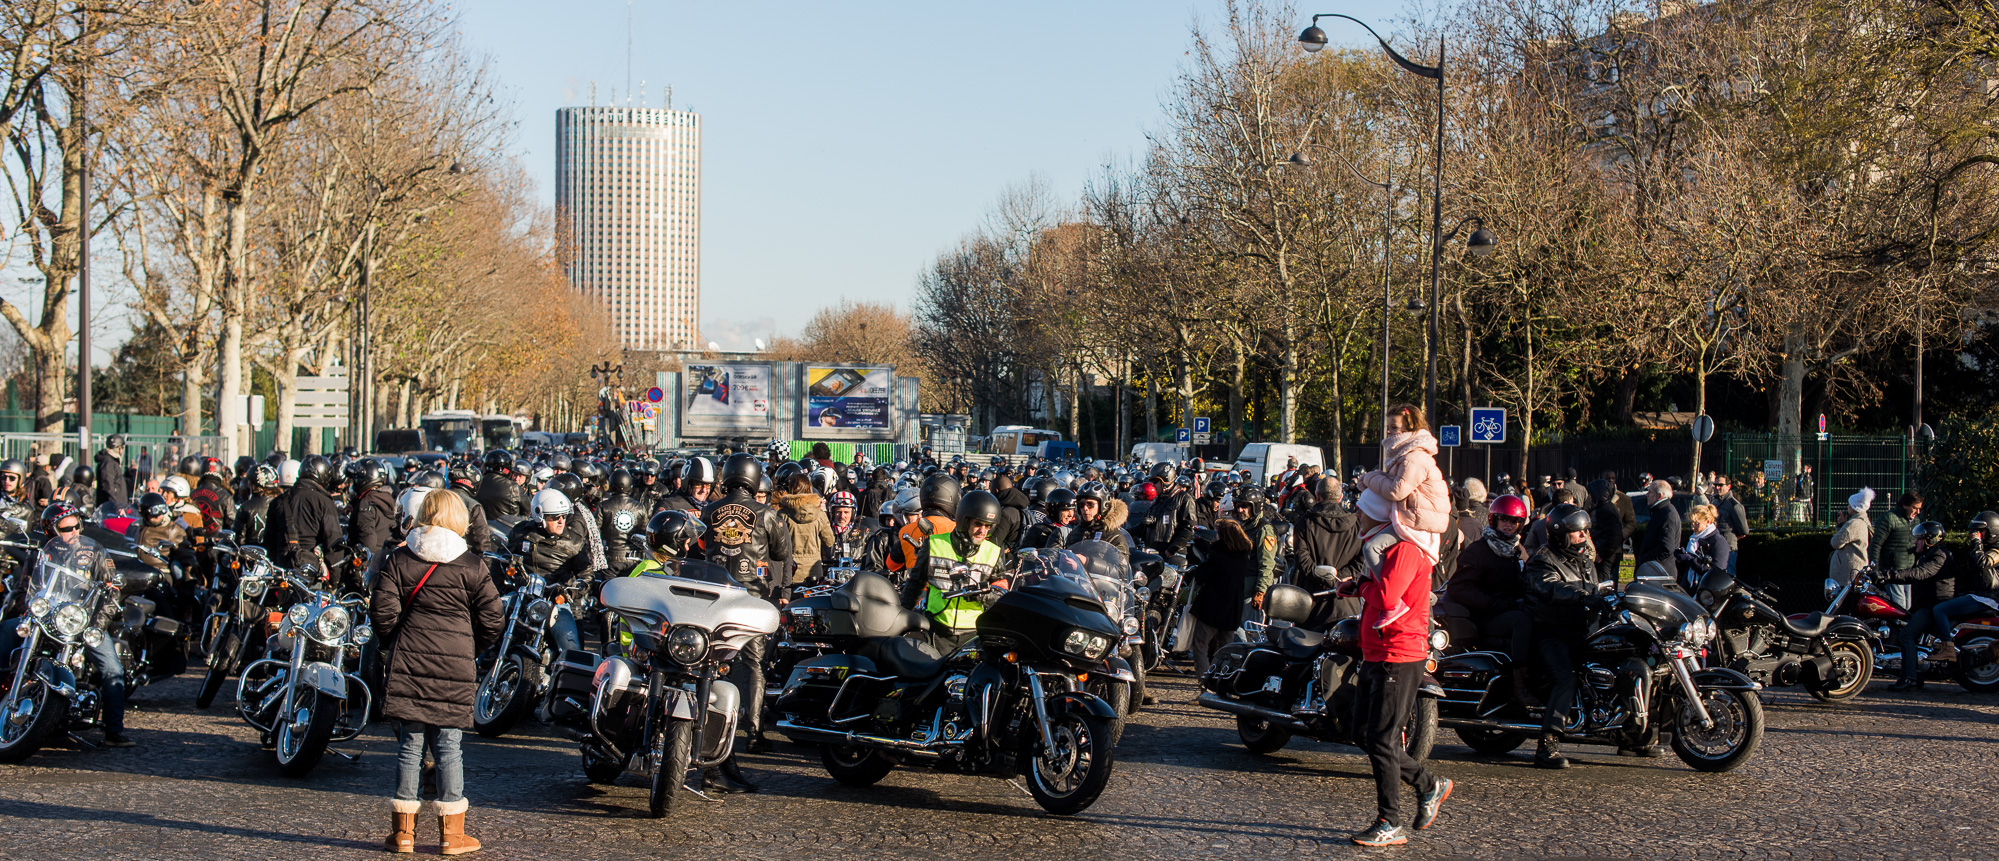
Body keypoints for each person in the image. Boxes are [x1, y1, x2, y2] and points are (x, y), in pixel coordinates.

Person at [371, 488, 502, 855]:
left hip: (409, 663)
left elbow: (382, 615)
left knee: (409, 748)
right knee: (449, 748)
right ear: (458, 518)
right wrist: (468, 647)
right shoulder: (473, 565)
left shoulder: (400, 559)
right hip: (455, 664)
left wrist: (398, 641)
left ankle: (403, 835)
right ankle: (451, 836)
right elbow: (493, 620)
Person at [0, 503, 134, 746]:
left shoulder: (96, 553)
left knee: (113, 669)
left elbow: (113, 594)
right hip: (45, 617)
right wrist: (30, 607)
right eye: (66, 528)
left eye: (76, 526)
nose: (73, 532)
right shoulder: (40, 553)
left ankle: (115, 731)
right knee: (6, 631)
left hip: (78, 621)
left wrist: (95, 624)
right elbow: (23, 591)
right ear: (51, 530)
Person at [700, 453, 791, 751]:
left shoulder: (709, 510)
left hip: (713, 597)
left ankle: (703, 730)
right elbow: (780, 553)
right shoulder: (766, 514)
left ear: (726, 477)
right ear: (754, 479)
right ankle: (754, 733)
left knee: (708, 661)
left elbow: (699, 546)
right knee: (753, 663)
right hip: (750, 598)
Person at [1522, 503, 1603, 769]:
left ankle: (1631, 734)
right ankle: (1547, 743)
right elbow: (1549, 587)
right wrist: (1580, 595)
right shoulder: (1542, 559)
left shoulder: (1586, 562)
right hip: (1550, 632)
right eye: (1578, 532)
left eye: (1585, 532)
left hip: (1580, 631)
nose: (1583, 537)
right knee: (1565, 677)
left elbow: (1596, 589)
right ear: (1560, 533)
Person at [1440, 494, 1533, 694]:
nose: (1509, 525)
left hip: (1510, 608)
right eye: (1504, 519)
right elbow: (1458, 587)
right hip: (1484, 617)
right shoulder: (1479, 550)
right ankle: (1521, 685)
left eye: (1514, 521)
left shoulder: (1517, 551)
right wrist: (1495, 604)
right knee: (1523, 621)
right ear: (1494, 519)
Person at [898, 490, 1006, 654]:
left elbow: (1001, 597)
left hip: (973, 635)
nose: (982, 531)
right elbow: (914, 584)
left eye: (988, 526)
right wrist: (902, 619)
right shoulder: (934, 545)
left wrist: (980, 595)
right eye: (978, 524)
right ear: (964, 521)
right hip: (937, 630)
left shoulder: (994, 553)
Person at [1885, 521, 1954, 691]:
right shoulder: (1930, 554)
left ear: (1930, 539)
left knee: (1906, 636)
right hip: (1928, 603)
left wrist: (1887, 575)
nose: (1916, 542)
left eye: (1919, 539)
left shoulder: (1939, 555)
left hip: (1935, 605)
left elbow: (1919, 573)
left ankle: (1909, 678)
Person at [1184, 518, 1254, 676]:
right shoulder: (1244, 554)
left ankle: (1205, 684)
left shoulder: (1218, 553)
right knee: (1226, 649)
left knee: (1201, 645)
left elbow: (1202, 575)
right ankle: (1223, 683)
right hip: (1233, 606)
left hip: (1213, 606)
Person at [1290, 476, 1363, 626]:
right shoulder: (1356, 524)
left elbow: (1302, 559)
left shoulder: (1305, 522)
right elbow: (1362, 561)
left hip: (1311, 602)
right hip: (1345, 601)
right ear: (1341, 496)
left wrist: (1325, 577)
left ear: (1317, 495)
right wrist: (1339, 578)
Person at [264, 455, 343, 577]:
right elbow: (333, 542)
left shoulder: (279, 500)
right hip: (311, 571)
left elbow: (269, 541)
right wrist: (334, 578)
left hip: (282, 571)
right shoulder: (324, 502)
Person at [773, 473, 833, 586]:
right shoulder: (820, 515)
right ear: (810, 488)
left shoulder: (782, 515)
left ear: (790, 488)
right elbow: (829, 541)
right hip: (813, 570)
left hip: (790, 569)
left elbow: (776, 544)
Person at [1873, 492, 1923, 610]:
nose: (1918, 512)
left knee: (1907, 606)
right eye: (1915, 508)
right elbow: (1876, 544)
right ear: (1905, 505)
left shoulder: (1916, 521)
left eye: (1919, 509)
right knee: (1899, 606)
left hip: (1908, 570)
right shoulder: (1889, 518)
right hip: (1892, 570)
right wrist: (1874, 568)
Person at [597, 468, 649, 576]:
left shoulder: (604, 506)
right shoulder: (639, 507)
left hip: (609, 558)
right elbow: (645, 533)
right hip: (633, 558)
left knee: (608, 591)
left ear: (612, 485)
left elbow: (595, 533)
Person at [1067, 481, 1133, 556]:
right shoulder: (1075, 533)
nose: (1085, 508)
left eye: (1090, 504)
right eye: (1081, 504)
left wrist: (1088, 561)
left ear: (1102, 506)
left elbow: (1121, 566)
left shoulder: (1114, 536)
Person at [1828, 488, 1874, 593]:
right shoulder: (1863, 521)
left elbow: (1836, 542)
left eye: (1850, 504)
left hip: (1848, 573)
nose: (1848, 506)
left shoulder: (1854, 523)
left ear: (1855, 507)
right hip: (1854, 570)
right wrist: (1841, 526)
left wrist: (1843, 527)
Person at [1634, 479, 1681, 582]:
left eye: (1650, 492)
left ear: (1659, 496)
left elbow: (1666, 548)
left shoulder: (1667, 514)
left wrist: (1644, 560)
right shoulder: (1660, 512)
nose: (1647, 494)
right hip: (1655, 572)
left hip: (1660, 574)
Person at [1587, 478, 1632, 581]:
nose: (1589, 496)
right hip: (1610, 555)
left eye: (1591, 493)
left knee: (1605, 588)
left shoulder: (1604, 509)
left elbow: (1615, 535)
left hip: (1607, 558)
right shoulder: (1606, 507)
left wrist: (1602, 554)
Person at [1710, 476, 1749, 575]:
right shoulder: (1714, 502)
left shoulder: (1734, 505)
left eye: (1720, 485)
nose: (1717, 487)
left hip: (1728, 549)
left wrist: (1733, 538)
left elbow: (1744, 530)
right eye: (1715, 485)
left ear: (1728, 486)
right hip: (1714, 547)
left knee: (1727, 577)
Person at [95, 435, 132, 515]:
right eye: (121, 447)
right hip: (111, 510)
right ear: (118, 448)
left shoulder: (111, 461)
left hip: (114, 507)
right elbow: (108, 485)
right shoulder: (109, 462)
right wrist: (116, 506)